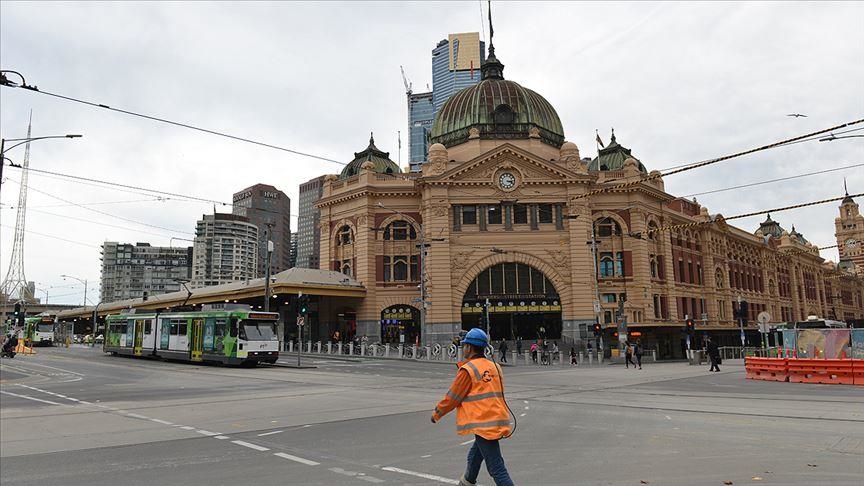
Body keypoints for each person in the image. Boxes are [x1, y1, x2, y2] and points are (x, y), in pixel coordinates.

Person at [431, 328, 515, 486]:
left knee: (497, 468)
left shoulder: (468, 370)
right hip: (497, 419)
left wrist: (436, 413)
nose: (463, 348)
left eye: (465, 346)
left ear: (469, 347)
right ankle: (467, 481)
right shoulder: (495, 366)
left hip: (483, 423)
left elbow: (453, 398)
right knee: (474, 456)